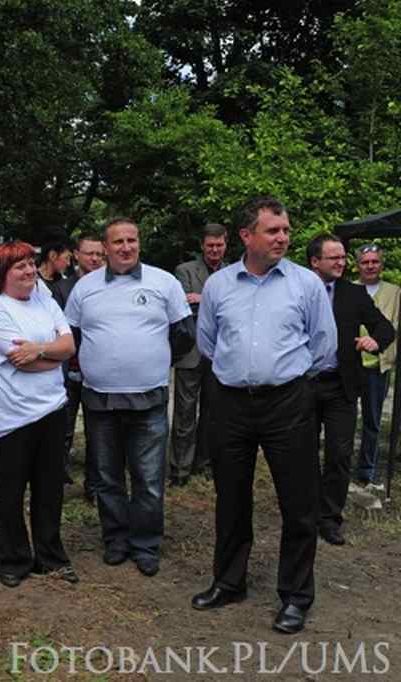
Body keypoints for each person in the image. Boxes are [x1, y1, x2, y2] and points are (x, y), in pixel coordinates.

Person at [192, 197, 337, 635]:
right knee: (231, 497)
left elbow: (323, 345)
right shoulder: (220, 285)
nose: (283, 238)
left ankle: (295, 597)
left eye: (286, 230)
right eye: (273, 230)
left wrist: (284, 379)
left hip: (288, 404)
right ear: (246, 236)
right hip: (231, 404)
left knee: (299, 503)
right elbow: (208, 342)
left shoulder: (305, 284)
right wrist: (242, 374)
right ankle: (229, 581)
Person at [64, 218, 193, 577]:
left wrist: (149, 359)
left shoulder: (164, 282)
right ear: (104, 248)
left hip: (149, 399)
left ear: (140, 243)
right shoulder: (84, 288)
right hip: (99, 400)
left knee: (149, 479)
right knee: (106, 477)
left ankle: (145, 544)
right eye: (118, 241)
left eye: (132, 240)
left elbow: (183, 334)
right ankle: (116, 540)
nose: (125, 247)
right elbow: (70, 336)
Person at [0, 241, 78, 588]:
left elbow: (70, 346)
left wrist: (41, 349)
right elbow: (27, 364)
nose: (30, 271)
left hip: (52, 409)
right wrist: (51, 355)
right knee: (11, 490)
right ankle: (11, 559)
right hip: (12, 417)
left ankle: (50, 557)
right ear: (2, 273)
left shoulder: (44, 299)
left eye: (32, 264)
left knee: (50, 490)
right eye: (20, 266)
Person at [306, 234, 393, 546]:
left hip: (341, 386)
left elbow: (385, 327)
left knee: (340, 454)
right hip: (304, 385)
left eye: (343, 257)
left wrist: (375, 341)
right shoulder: (298, 289)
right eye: (334, 258)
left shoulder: (354, 294)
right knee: (303, 452)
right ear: (315, 261)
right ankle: (307, 511)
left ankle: (329, 519)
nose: (342, 263)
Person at [170, 223, 228, 486]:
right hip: (190, 351)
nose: (215, 249)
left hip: (220, 353)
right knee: (184, 412)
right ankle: (180, 469)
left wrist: (202, 298)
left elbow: (230, 309)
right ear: (202, 246)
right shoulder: (185, 271)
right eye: (210, 245)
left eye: (219, 245)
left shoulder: (233, 272)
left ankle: (205, 462)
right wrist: (212, 301)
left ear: (225, 245)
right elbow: (182, 306)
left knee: (214, 413)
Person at [56, 233, 105, 502]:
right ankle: (56, 481)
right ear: (76, 254)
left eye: (99, 254)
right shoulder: (62, 289)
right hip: (67, 371)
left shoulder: (111, 287)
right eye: (90, 253)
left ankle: (95, 487)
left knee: (97, 434)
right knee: (61, 429)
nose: (95, 259)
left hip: (98, 373)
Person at [353, 243, 401, 490]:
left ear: (381, 264)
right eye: (365, 262)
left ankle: (366, 471)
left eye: (375, 261)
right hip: (351, 364)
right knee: (345, 418)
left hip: (378, 365)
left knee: (372, 420)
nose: (370, 266)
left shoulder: (395, 292)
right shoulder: (348, 289)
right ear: (357, 265)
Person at [36, 239, 72, 305]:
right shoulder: (32, 282)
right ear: (53, 255)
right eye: (66, 258)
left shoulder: (64, 281)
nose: (68, 263)